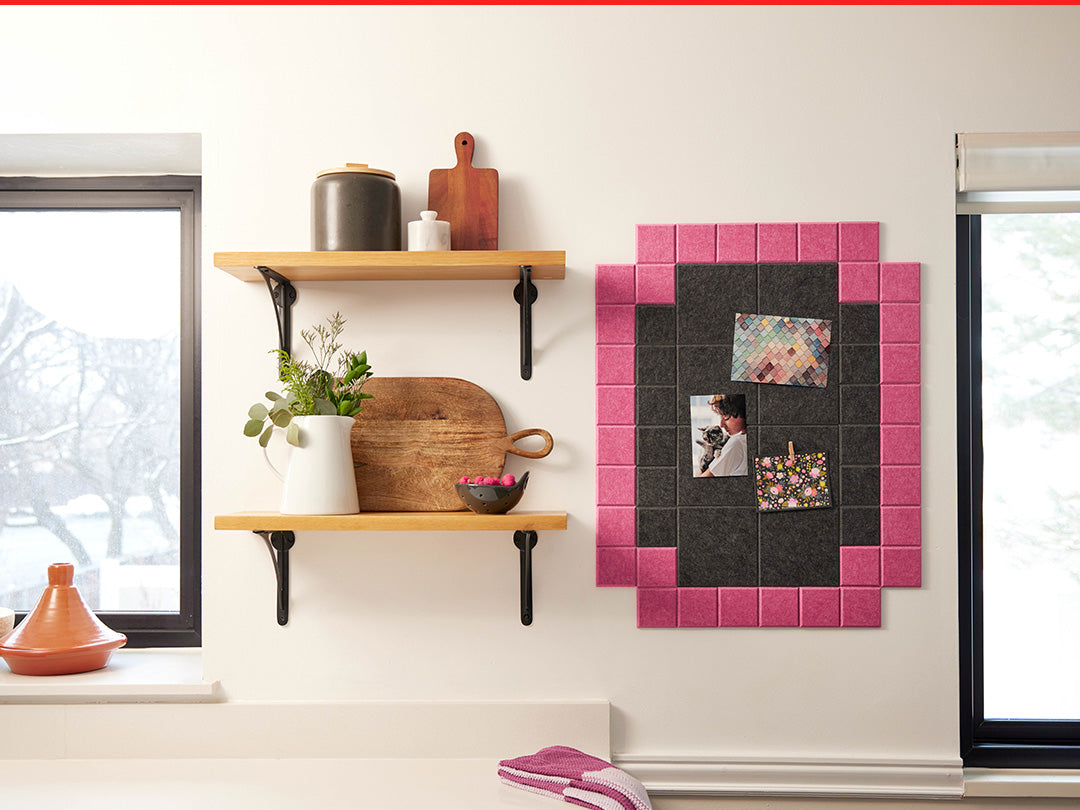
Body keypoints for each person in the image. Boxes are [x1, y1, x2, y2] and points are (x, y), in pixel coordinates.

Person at [695, 394, 747, 477]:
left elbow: (700, 481)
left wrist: (702, 464)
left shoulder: (737, 443)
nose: (721, 424)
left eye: (725, 416)